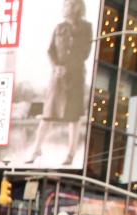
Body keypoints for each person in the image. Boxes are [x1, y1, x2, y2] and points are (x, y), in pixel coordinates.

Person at [25, 0, 93, 166]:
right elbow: (50, 50)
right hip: (57, 78)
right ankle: (36, 150)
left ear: (76, 7)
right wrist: (56, 67)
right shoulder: (58, 27)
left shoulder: (86, 27)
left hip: (75, 76)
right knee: (47, 114)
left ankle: (70, 154)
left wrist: (67, 67)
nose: (64, 8)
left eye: (67, 5)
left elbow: (85, 53)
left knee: (74, 117)